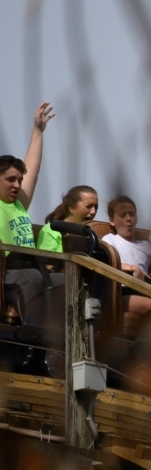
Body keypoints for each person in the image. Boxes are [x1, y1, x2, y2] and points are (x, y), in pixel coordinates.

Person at [2, 104, 65, 339]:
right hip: (8, 270)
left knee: (70, 281)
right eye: (11, 180)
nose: (17, 185)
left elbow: (33, 171)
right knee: (33, 279)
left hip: (32, 267)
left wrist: (38, 131)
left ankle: (74, 341)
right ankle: (36, 341)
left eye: (19, 180)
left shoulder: (18, 203)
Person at [103, 196, 151, 326]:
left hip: (145, 290)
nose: (128, 219)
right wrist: (133, 268)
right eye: (123, 215)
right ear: (112, 221)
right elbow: (107, 260)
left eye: (132, 214)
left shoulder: (146, 246)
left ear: (136, 218)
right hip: (121, 292)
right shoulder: (110, 240)